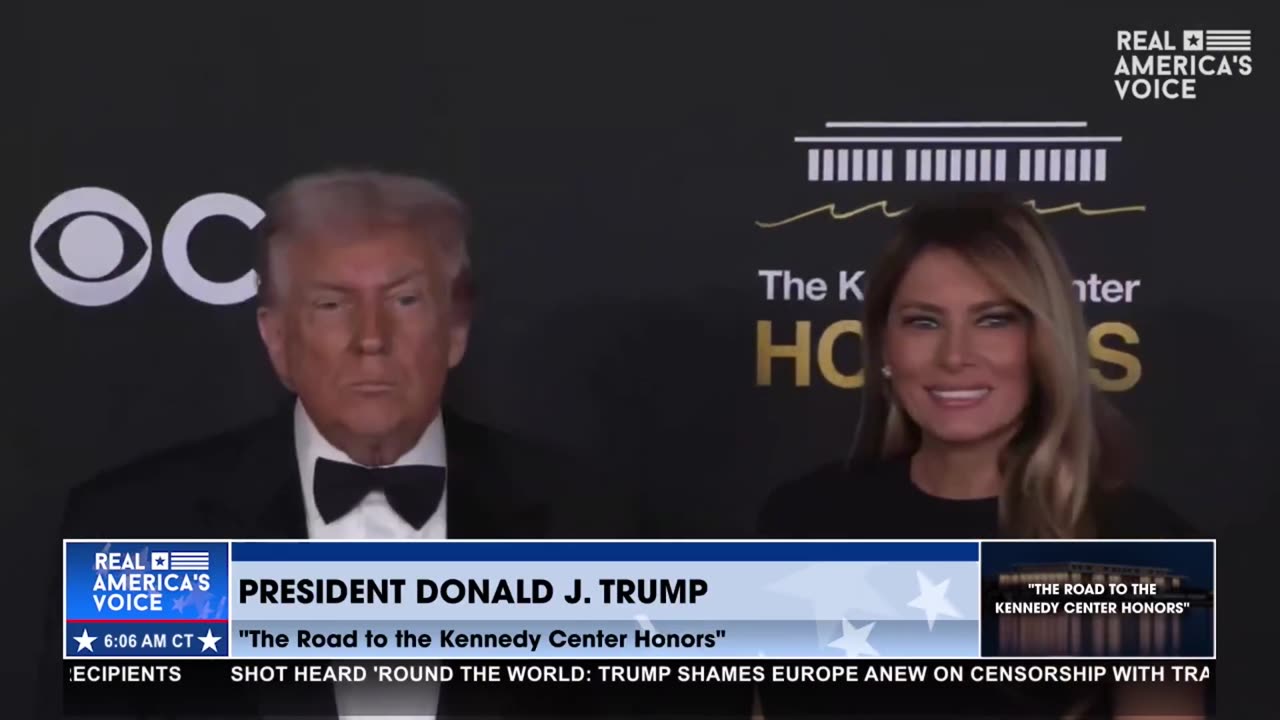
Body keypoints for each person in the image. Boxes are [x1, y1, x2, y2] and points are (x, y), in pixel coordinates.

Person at [44, 170, 632, 718]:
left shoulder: (592, 526)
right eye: (331, 305)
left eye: (405, 300)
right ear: (276, 339)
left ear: (455, 331)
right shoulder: (138, 530)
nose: (370, 338)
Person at [755, 193, 1208, 718]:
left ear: (1044, 344)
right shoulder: (800, 520)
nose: (954, 356)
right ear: (884, 346)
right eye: (924, 322)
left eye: (993, 320)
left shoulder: (1145, 547)